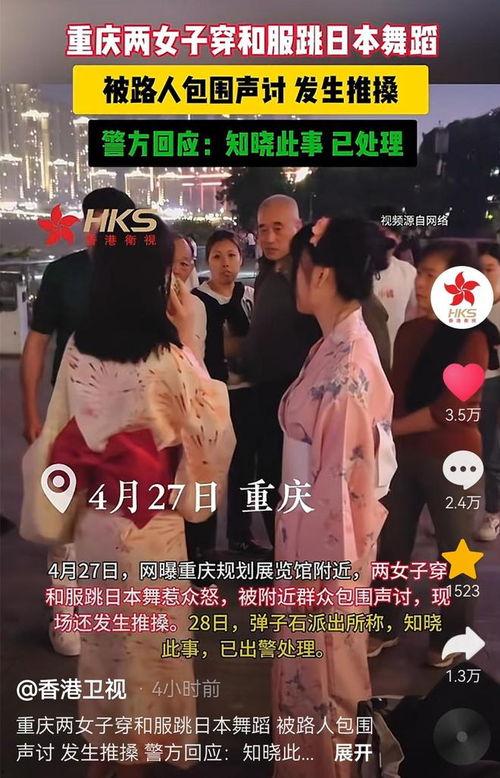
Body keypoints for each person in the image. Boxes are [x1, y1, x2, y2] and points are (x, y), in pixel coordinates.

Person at [21, 215, 235, 778]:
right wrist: (190, 341)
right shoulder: (169, 356)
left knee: (104, 649)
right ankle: (137, 758)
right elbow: (207, 436)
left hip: (96, 523)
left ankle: (105, 754)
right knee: (149, 650)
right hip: (151, 527)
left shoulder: (79, 348)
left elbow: (58, 435)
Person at [272, 217, 397, 778]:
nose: (290, 279)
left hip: (324, 555)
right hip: (312, 535)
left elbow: (339, 494)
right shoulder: (340, 344)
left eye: (295, 269)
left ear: (320, 275)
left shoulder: (345, 366)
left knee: (321, 683)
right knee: (313, 683)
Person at [368, 241, 495, 668]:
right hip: (403, 458)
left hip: (454, 460)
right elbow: (393, 391)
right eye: (420, 273)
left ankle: (452, 635)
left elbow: (450, 409)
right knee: (391, 543)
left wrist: (390, 429)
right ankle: (384, 624)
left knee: (456, 553)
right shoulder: (409, 332)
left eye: (432, 275)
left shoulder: (473, 337)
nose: (420, 283)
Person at [20, 187, 135, 656]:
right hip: (68, 413)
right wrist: (31, 411)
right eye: (94, 221)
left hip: (127, 414)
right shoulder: (63, 274)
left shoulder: (142, 275)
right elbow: (37, 343)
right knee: (63, 514)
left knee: (119, 516)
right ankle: (65, 612)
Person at [240, 195, 322, 546]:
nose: (269, 238)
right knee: (268, 474)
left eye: (278, 228)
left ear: (298, 227)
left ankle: (293, 555)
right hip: (263, 390)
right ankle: (282, 551)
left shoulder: (306, 275)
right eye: (263, 229)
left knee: (289, 478)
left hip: (295, 393)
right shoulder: (265, 272)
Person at [191, 230, 266, 556]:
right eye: (217, 257)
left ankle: (240, 534)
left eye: (231, 256)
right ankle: (201, 543)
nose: (225, 264)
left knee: (244, 468)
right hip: (210, 396)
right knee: (207, 469)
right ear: (207, 261)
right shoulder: (196, 300)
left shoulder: (251, 296)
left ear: (241, 258)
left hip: (247, 394)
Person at [474, 242, 500, 541]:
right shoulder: (463, 301)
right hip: (469, 383)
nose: (483, 275)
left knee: (492, 452)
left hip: (493, 382)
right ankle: (454, 513)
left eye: (490, 269)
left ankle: (493, 512)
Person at [372, 217, 418, 361]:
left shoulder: (408, 272)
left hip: (394, 357)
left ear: (398, 239)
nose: (384, 238)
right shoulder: (354, 271)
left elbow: (412, 316)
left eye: (389, 232)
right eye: (379, 232)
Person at [171, 233, 206, 362]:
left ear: (191, 268)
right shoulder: (143, 307)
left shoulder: (197, 306)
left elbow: (198, 360)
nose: (176, 270)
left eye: (184, 264)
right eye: (168, 261)